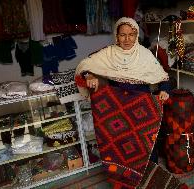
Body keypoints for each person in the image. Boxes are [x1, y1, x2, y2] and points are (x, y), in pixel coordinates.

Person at [75, 17, 182, 189]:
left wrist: (164, 91)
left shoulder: (145, 55)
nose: (127, 39)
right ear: (116, 36)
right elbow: (85, 66)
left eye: (131, 35)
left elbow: (164, 78)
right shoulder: (108, 53)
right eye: (123, 35)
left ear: (136, 35)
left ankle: (148, 180)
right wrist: (90, 76)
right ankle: (125, 180)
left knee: (146, 143)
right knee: (120, 144)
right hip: (118, 105)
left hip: (142, 106)